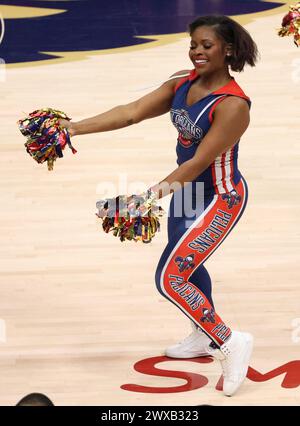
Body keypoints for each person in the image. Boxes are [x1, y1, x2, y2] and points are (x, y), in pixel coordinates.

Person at [60, 15, 258, 396]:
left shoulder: (234, 106)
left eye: (206, 45)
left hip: (219, 198)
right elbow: (131, 111)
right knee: (187, 266)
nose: (197, 51)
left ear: (228, 50)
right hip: (187, 195)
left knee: (170, 278)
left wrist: (145, 198)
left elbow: (196, 163)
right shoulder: (181, 82)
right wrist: (74, 127)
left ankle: (230, 341)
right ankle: (203, 335)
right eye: (194, 44)